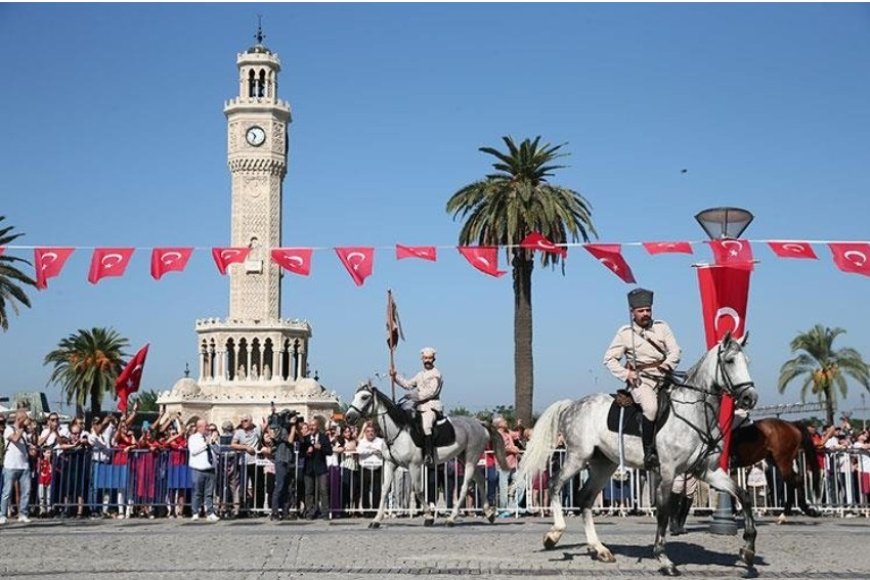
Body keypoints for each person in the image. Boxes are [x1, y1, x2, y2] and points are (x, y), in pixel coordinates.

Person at [603, 288, 681, 470]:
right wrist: (627, 374)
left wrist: (668, 364)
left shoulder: (662, 327)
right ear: (633, 313)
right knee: (651, 408)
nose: (645, 314)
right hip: (642, 381)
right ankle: (649, 453)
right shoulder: (625, 333)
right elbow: (609, 359)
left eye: (648, 310)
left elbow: (675, 351)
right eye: (641, 311)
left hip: (665, 375)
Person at [390, 346, 443, 464]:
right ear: (422, 359)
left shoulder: (436, 374)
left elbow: (431, 392)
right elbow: (408, 384)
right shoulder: (420, 374)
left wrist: (413, 396)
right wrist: (395, 377)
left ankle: (429, 454)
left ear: (433, 359)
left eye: (429, 358)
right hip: (418, 406)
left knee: (426, 426)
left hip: (431, 406)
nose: (427, 360)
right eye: (425, 358)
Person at [1, 410, 34, 524]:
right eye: (25, 420)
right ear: (20, 419)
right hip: (10, 465)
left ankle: (23, 513)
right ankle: (2, 514)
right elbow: (15, 439)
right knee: (7, 492)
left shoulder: (24, 433)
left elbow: (26, 445)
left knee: (26, 491)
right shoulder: (9, 430)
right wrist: (21, 428)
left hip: (24, 465)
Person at [188, 419, 219, 521]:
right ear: (199, 427)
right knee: (197, 492)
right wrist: (206, 444)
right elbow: (194, 451)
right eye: (206, 427)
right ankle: (195, 512)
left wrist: (214, 443)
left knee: (209, 493)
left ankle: (210, 512)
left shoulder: (209, 438)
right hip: (198, 469)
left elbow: (217, 451)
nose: (208, 429)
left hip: (210, 469)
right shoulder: (193, 438)